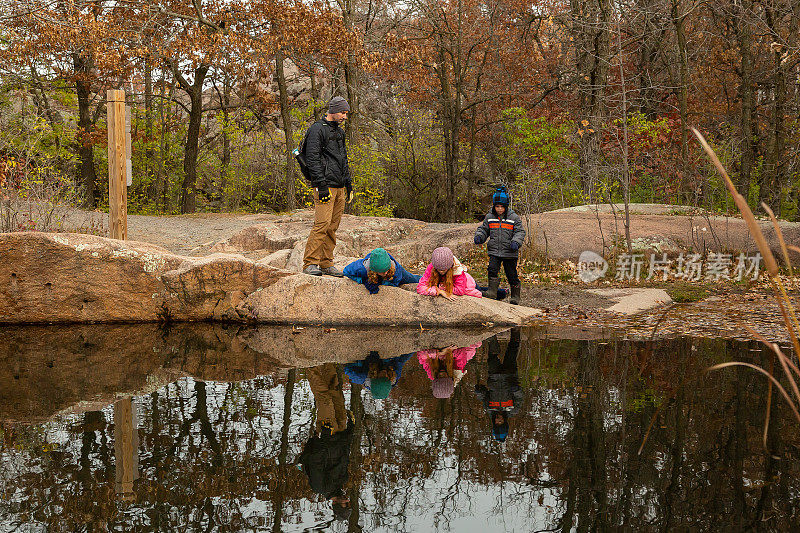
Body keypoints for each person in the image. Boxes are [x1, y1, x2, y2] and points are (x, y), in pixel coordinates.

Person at [302, 96, 352, 277]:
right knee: (321, 224)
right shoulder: (317, 130)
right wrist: (321, 186)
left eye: (346, 113)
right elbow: (312, 159)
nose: (344, 116)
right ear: (333, 111)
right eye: (342, 112)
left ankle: (326, 263)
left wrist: (348, 184)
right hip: (325, 186)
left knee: (332, 226)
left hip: (339, 187)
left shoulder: (339, 132)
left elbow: (343, 159)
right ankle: (310, 263)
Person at [298, 363, 354, 520]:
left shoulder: (320, 487)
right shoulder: (342, 481)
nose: (348, 501)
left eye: (346, 505)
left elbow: (315, 459)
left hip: (327, 432)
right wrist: (351, 429)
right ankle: (327, 362)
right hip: (341, 431)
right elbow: (345, 453)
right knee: (336, 395)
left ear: (336, 505)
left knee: (325, 399)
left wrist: (324, 436)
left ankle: (310, 365)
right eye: (349, 504)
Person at [474, 186, 526, 304]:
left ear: (506, 206)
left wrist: (516, 242)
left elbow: (520, 232)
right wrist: (479, 237)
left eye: (502, 206)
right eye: (497, 206)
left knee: (511, 274)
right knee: (492, 270)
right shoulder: (490, 217)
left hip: (509, 252)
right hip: (494, 251)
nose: (499, 209)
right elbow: (484, 229)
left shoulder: (513, 217)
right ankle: (492, 291)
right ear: (494, 206)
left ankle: (515, 296)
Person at [474, 328, 524, 442]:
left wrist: (479, 392)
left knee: (492, 356)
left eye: (496, 422)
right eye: (500, 422)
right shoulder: (513, 410)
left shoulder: (489, 408)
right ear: (505, 422)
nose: (497, 420)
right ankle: (515, 328)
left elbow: (484, 396)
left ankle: (492, 332)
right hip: (509, 376)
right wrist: (516, 390)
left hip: (494, 376)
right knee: (512, 349)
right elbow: (520, 396)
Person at [343, 248, 421, 294]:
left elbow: (395, 283)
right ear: (374, 271)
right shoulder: (361, 268)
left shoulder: (396, 269)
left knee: (412, 278)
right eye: (383, 272)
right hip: (373, 268)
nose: (386, 273)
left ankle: (425, 278)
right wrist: (363, 280)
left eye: (386, 270)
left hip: (396, 272)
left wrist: (381, 282)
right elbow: (346, 272)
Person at [416, 246, 483, 299]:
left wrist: (440, 287)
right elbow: (420, 288)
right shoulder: (432, 266)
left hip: (469, 283)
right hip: (446, 283)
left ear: (450, 266)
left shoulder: (457, 270)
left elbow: (460, 291)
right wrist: (439, 291)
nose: (441, 272)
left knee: (483, 291)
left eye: (444, 269)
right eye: (438, 269)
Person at [344, 351, 414, 399]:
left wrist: (359, 364)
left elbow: (347, 369)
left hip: (371, 361)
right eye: (387, 378)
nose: (385, 374)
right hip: (388, 362)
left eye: (382, 377)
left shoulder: (362, 377)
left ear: (375, 378)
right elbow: (400, 361)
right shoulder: (394, 376)